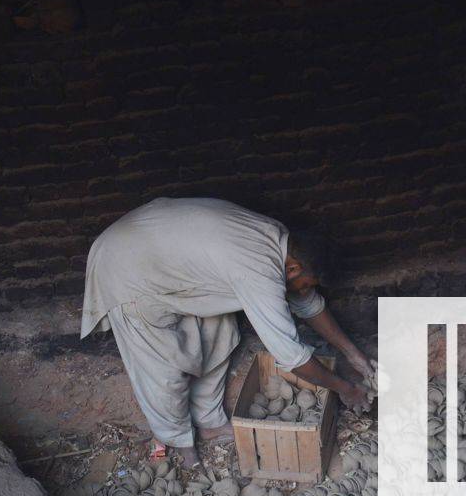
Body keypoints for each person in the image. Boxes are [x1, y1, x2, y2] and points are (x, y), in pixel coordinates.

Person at [80, 197, 373, 466]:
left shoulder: (281, 244)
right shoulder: (260, 269)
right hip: (126, 265)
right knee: (162, 369)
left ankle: (209, 423)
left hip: (162, 250)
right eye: (308, 283)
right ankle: (178, 441)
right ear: (294, 269)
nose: (307, 289)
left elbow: (308, 304)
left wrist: (354, 355)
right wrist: (346, 390)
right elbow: (291, 357)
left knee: (222, 335)